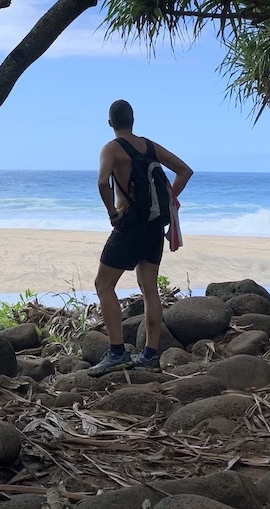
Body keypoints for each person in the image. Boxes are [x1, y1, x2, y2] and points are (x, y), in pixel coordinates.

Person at [89, 99, 192, 376]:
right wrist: (168, 201)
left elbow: (101, 182)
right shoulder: (150, 146)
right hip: (153, 226)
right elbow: (185, 171)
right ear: (133, 121)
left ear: (110, 122)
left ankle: (117, 351)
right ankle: (150, 354)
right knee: (149, 288)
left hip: (130, 225)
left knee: (103, 285)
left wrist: (113, 212)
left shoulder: (111, 148)